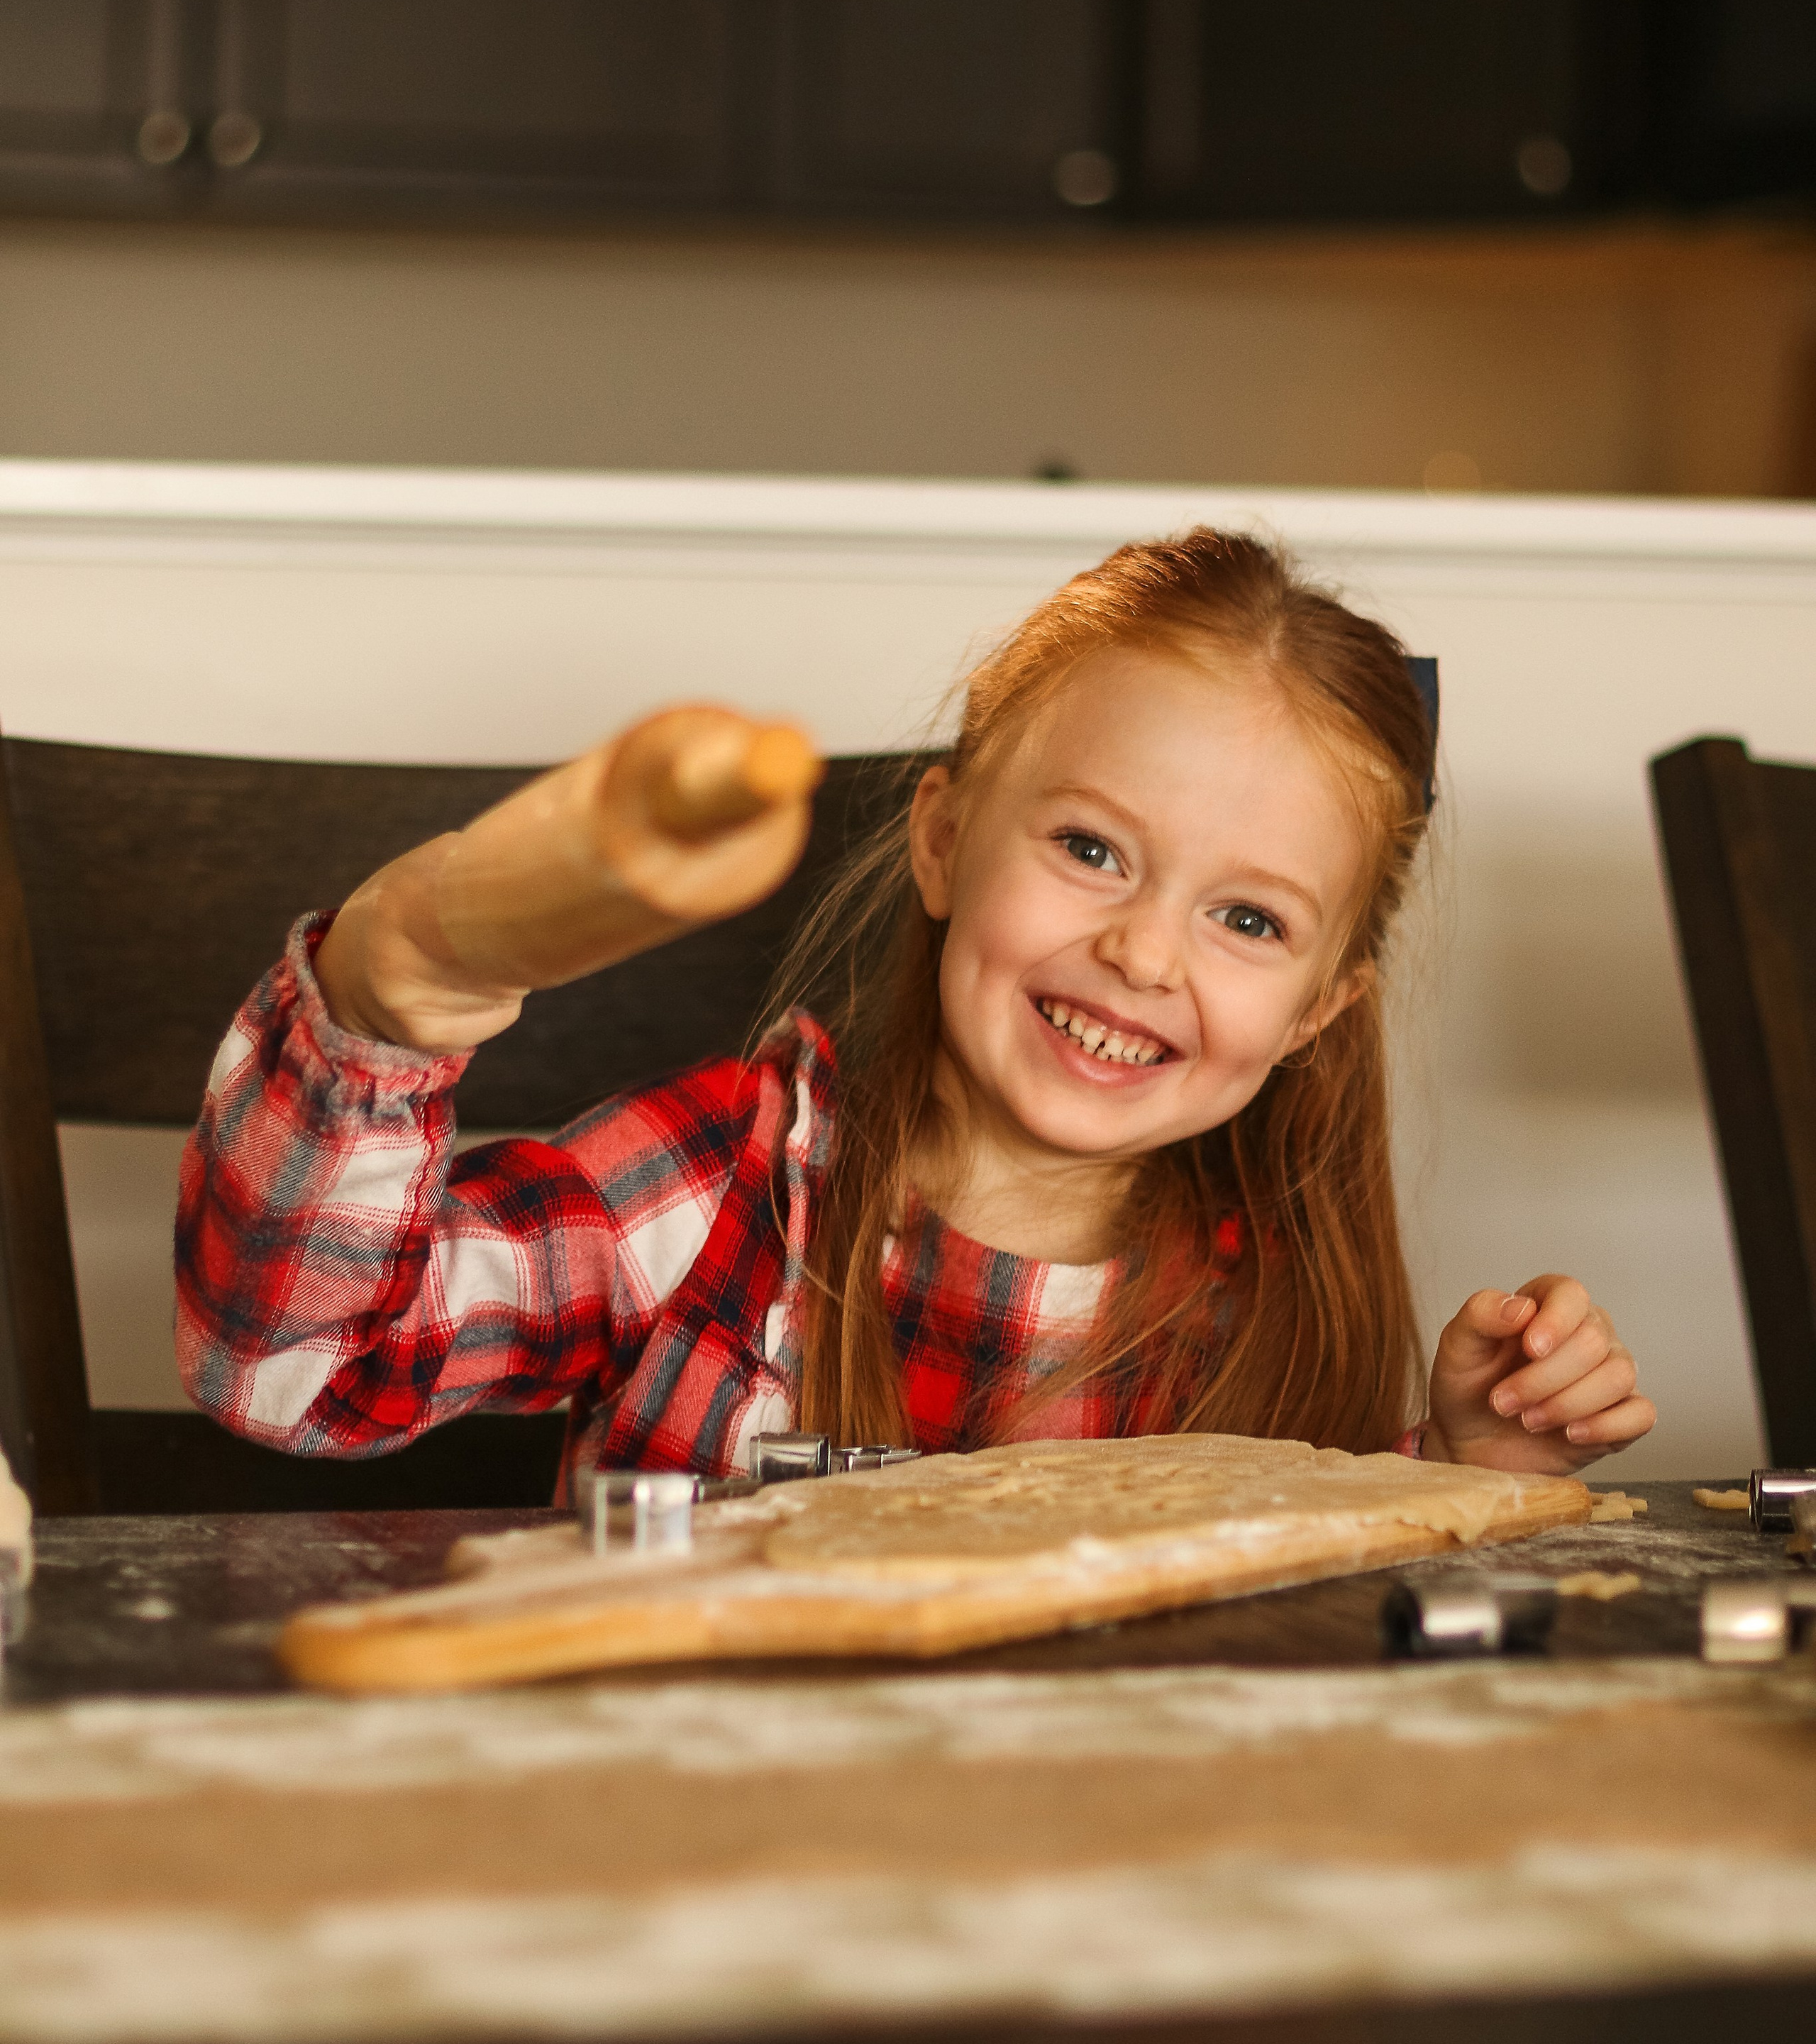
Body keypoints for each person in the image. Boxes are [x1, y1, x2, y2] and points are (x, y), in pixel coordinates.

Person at [176, 528, 1654, 1486]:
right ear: (941, 841)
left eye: (1245, 919)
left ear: (1320, 1011)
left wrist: (1468, 1461)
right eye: (1088, 850)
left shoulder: (1260, 1302)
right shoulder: (722, 1187)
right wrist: (381, 1008)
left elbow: (1291, 1641)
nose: (1142, 954)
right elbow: (290, 1371)